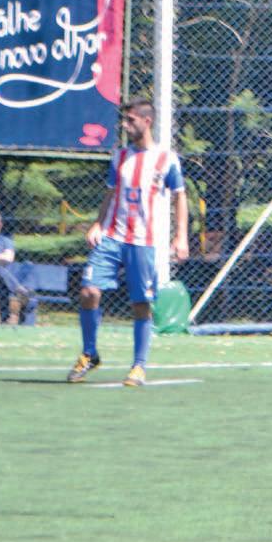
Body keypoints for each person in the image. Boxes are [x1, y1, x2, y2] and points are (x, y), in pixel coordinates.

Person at [69, 100, 190, 387]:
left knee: (141, 304)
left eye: (131, 120)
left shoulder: (166, 159)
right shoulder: (120, 156)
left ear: (147, 122)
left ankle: (138, 365)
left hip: (144, 241)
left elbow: (180, 195)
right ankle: (89, 353)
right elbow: (110, 193)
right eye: (124, 120)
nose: (125, 125)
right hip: (113, 237)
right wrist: (98, 223)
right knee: (88, 291)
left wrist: (181, 236)